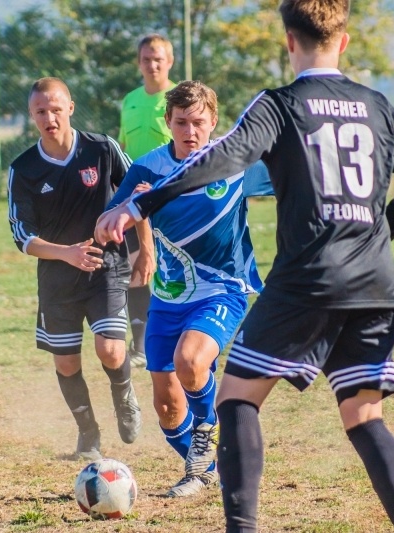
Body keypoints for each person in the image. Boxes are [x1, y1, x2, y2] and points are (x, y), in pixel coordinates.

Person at [95, 0, 394, 530]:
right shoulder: (378, 105)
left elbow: (223, 157)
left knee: (236, 400)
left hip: (308, 278)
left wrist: (140, 203)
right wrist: (378, 236)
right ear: (344, 42)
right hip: (373, 283)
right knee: (364, 418)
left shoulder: (280, 104)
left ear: (288, 42)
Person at [106, 80, 272, 498]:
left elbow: (298, 181)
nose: (190, 131)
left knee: (191, 360)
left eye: (199, 122)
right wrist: (128, 212)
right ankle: (203, 468)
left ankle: (209, 428)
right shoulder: (147, 170)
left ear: (213, 121)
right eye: (181, 122)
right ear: (169, 122)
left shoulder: (237, 165)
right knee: (166, 405)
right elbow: (104, 224)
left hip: (223, 290)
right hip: (169, 297)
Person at [8, 77, 152, 461]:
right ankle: (88, 433)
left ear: (70, 108)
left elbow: (141, 195)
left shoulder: (102, 149)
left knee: (109, 349)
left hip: (107, 269)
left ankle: (124, 396)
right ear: (31, 116)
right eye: (41, 111)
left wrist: (147, 251)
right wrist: (66, 253)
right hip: (57, 277)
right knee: (67, 360)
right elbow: (22, 236)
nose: (49, 117)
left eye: (56, 109)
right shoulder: (23, 169)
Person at [118, 34, 178, 368]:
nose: (152, 64)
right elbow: (124, 148)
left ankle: (176, 336)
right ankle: (139, 346)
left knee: (172, 265)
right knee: (137, 263)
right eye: (146, 59)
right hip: (135, 200)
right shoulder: (130, 100)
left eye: (158, 58)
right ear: (138, 63)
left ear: (169, 62)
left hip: (170, 196)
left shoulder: (180, 98)